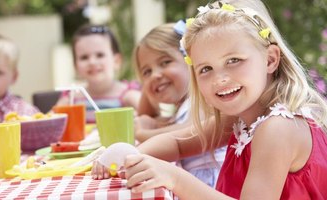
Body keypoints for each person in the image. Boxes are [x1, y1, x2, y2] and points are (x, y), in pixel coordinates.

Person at [120, 0, 327, 199]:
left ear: (270, 59)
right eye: (206, 69)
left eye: (234, 60)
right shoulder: (241, 116)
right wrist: (129, 157)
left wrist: (174, 178)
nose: (220, 79)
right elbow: (178, 144)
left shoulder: (278, 128)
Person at [93, 23, 226, 188]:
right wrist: (150, 87)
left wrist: (143, 133)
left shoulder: (204, 100)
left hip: (212, 187)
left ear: (191, 61)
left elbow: (185, 133)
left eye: (165, 62)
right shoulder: (183, 106)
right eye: (146, 72)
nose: (155, 74)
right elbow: (144, 116)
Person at [55, 24, 141, 123]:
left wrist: (138, 118)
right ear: (75, 66)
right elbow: (49, 121)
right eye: (84, 57)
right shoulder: (71, 99)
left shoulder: (127, 95)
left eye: (100, 55)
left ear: (116, 61)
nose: (92, 62)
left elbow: (151, 117)